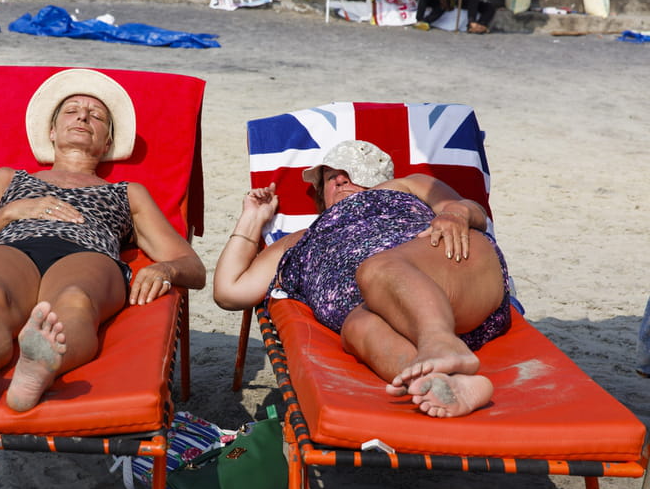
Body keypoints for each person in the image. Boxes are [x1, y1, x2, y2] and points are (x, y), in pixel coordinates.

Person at [0, 68, 206, 412]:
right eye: (72, 110)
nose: (83, 115)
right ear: (51, 132)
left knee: (75, 300)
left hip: (87, 252)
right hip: (9, 247)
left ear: (107, 142)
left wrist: (166, 269)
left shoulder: (126, 193)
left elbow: (194, 269)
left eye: (96, 116)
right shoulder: (8, 178)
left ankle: (42, 364)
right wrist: (9, 212)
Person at [214, 140, 511, 418]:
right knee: (356, 327)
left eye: (350, 172)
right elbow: (230, 291)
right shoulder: (299, 240)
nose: (340, 180)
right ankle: (441, 382)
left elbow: (473, 210)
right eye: (330, 177)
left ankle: (442, 345)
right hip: (395, 319)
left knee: (377, 268)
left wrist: (457, 213)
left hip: (455, 271)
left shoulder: (406, 186)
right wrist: (253, 218)